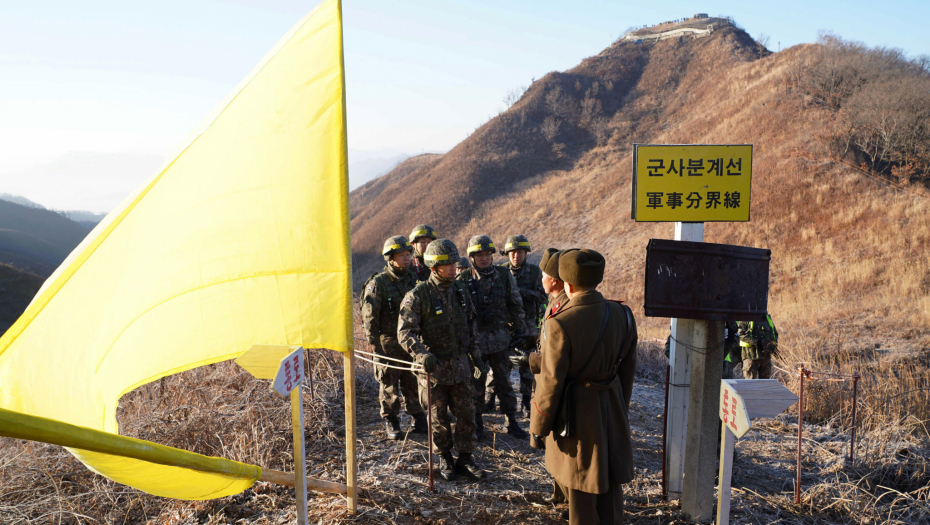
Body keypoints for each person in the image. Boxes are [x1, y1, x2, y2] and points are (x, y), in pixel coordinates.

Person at [530, 249, 637, 525]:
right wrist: (618, 410)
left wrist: (539, 427)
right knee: (610, 482)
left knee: (580, 489)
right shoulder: (623, 314)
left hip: (577, 415)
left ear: (568, 283)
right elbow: (627, 371)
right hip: (611, 406)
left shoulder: (560, 323)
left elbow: (551, 382)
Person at [397, 239, 488, 481]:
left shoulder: (461, 291)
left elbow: (471, 326)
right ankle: (444, 457)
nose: (452, 268)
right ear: (434, 267)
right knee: (437, 418)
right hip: (434, 370)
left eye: (454, 264)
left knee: (467, 413)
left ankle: (465, 458)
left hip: (460, 367)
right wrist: (421, 354)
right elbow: (405, 332)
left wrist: (476, 358)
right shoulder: (417, 296)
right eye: (446, 265)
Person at [509, 247, 570, 507]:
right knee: (554, 450)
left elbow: (560, 358)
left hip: (559, 391)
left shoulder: (565, 308)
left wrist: (530, 360)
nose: (541, 279)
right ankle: (560, 495)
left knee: (562, 449)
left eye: (545, 275)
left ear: (553, 280)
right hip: (547, 385)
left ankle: (569, 501)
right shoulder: (554, 304)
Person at [456, 235, 528, 440]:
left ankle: (511, 422)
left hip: (501, 340)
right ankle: (477, 423)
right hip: (476, 344)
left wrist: (520, 333)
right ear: (472, 257)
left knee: (504, 383)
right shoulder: (462, 280)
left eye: (487, 254)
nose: (484, 258)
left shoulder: (504, 275)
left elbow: (516, 304)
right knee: (476, 384)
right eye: (479, 255)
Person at [361, 236, 428, 440]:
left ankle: (418, 418)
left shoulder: (414, 280)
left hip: (410, 343)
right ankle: (392, 421)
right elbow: (370, 317)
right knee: (389, 385)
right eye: (401, 255)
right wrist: (375, 345)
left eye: (408, 254)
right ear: (390, 259)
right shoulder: (378, 283)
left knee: (413, 382)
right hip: (387, 345)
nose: (407, 258)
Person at [493, 235, 547, 417]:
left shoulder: (534, 272)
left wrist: (520, 292)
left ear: (526, 254)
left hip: (528, 324)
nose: (516, 256)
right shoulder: (499, 272)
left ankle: (526, 401)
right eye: (513, 253)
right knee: (501, 365)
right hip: (504, 326)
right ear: (507, 254)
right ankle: (494, 398)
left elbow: (543, 296)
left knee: (527, 366)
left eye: (520, 253)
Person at [736, 314, 778, 379]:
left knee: (765, 384)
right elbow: (741, 335)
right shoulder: (746, 316)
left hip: (765, 357)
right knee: (749, 384)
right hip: (750, 357)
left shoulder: (766, 317)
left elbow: (774, 333)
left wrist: (772, 346)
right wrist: (757, 342)